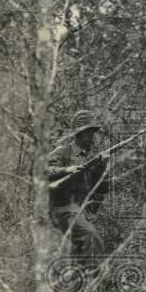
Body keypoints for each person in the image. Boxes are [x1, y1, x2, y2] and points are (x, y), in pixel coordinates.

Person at [47, 110, 110, 264]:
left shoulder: (91, 158)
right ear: (79, 134)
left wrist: (102, 167)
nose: (91, 137)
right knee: (91, 236)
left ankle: (81, 282)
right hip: (62, 211)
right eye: (88, 133)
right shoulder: (62, 153)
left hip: (83, 212)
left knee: (78, 255)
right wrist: (67, 170)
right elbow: (46, 171)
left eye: (92, 133)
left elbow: (102, 189)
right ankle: (95, 279)